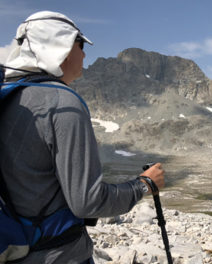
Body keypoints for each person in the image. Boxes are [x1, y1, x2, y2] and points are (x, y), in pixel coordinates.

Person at [0, 11, 165, 264]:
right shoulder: (62, 101)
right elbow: (88, 202)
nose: (85, 54)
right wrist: (144, 185)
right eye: (80, 44)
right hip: (58, 255)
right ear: (62, 46)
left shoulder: (9, 95)